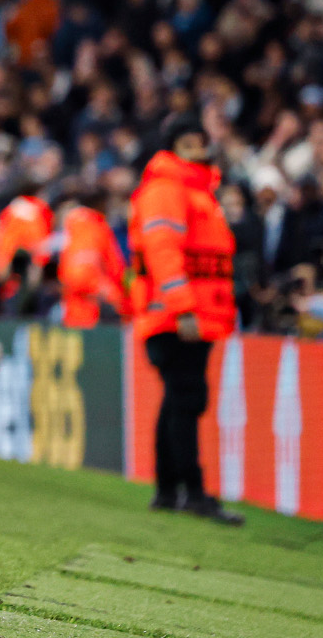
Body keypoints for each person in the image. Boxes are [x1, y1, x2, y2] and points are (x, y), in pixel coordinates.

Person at [129, 113, 242, 525]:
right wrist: (183, 308)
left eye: (200, 138)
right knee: (186, 398)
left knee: (177, 400)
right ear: (172, 146)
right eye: (188, 140)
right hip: (178, 316)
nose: (198, 145)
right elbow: (163, 250)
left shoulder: (197, 191)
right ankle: (192, 493)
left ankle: (167, 490)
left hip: (189, 313)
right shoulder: (168, 188)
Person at [55, 192, 127, 329]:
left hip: (85, 313)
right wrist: (114, 296)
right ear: (99, 203)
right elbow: (81, 274)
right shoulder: (88, 226)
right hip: (92, 315)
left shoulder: (84, 225)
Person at [0, 184, 53, 310]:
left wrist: (0, 264)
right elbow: (40, 243)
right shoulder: (37, 211)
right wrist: (38, 264)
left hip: (13, 270)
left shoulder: (11, 209)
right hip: (25, 268)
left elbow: (3, 241)